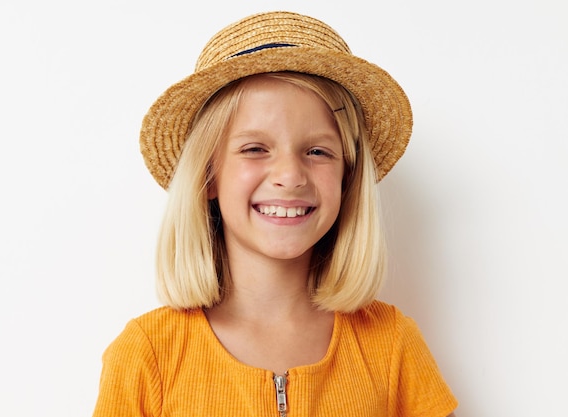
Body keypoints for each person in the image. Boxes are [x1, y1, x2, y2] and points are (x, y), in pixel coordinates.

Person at [93, 11, 458, 417]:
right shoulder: (148, 355)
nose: (289, 176)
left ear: (346, 180)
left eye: (317, 151)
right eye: (254, 149)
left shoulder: (391, 344)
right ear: (208, 177)